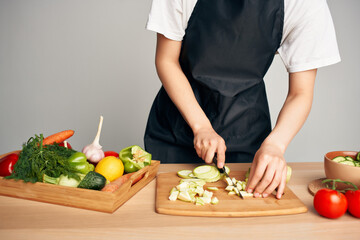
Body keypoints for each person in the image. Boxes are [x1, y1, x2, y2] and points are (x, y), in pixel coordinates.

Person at [144, 0, 340, 199]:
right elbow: (166, 60)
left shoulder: (305, 3)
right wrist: (201, 126)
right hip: (175, 130)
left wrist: (275, 145)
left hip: (247, 132)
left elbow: (300, 93)